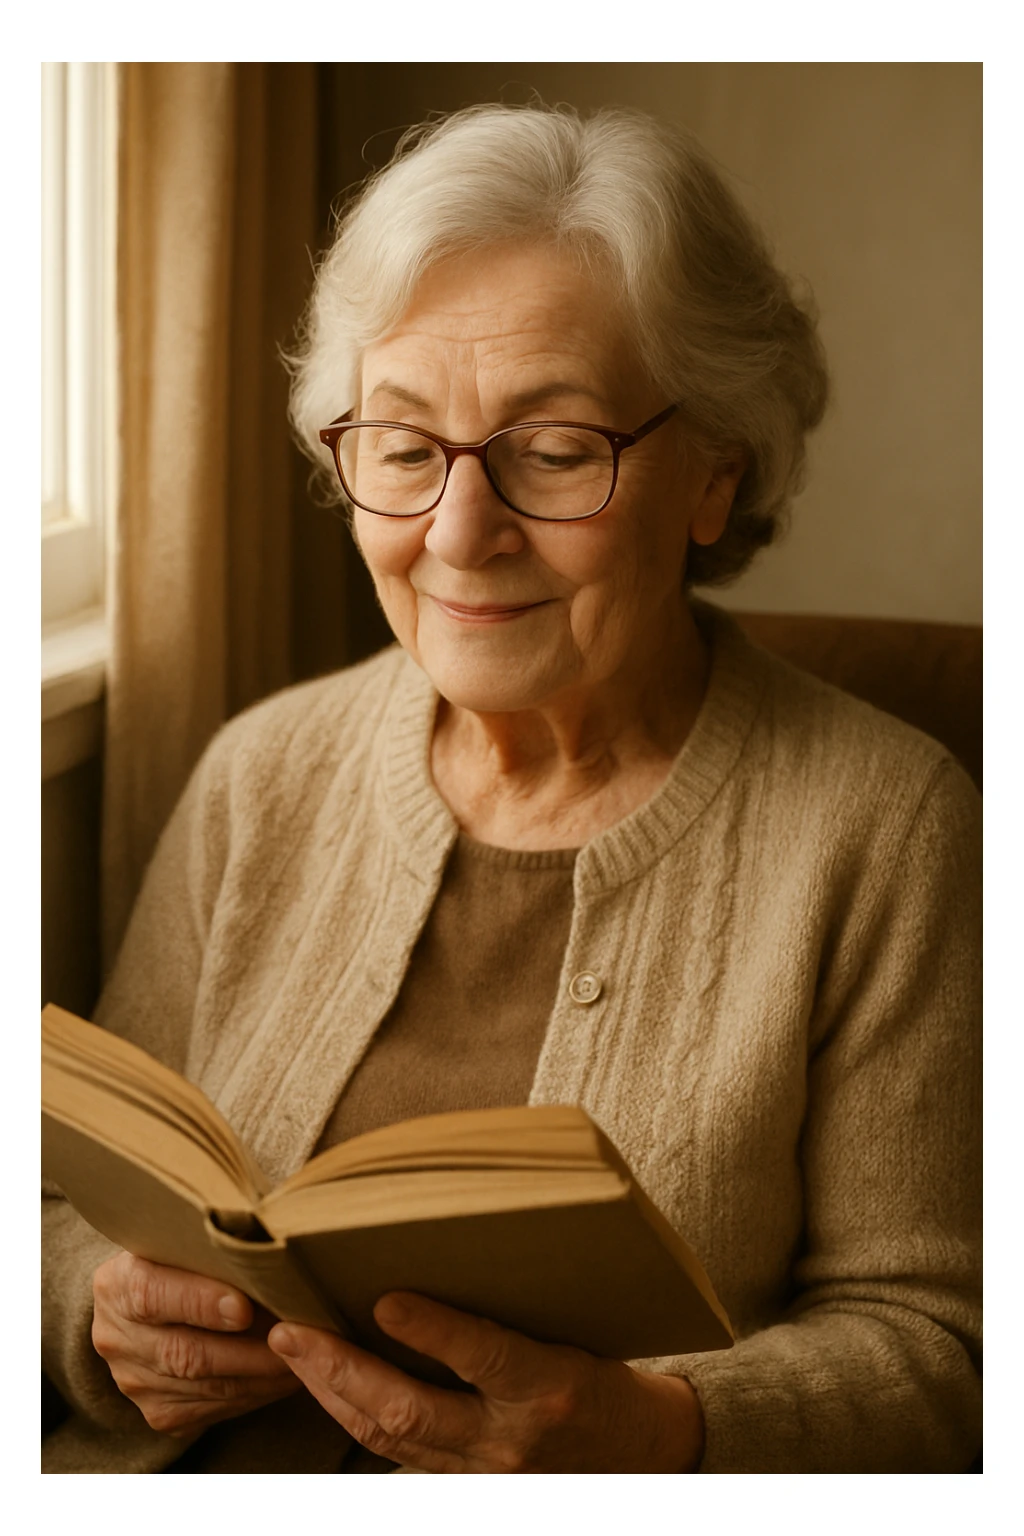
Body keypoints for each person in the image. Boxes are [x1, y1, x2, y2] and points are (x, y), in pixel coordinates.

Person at [42, 103, 981, 1475]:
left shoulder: (887, 828)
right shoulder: (263, 772)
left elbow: (942, 1350)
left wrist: (659, 1434)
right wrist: (98, 1309)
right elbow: (67, 1206)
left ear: (714, 475)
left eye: (554, 451)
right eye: (404, 447)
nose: (460, 532)